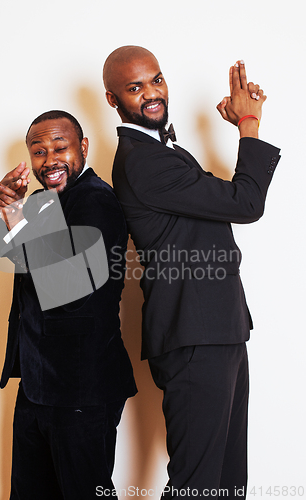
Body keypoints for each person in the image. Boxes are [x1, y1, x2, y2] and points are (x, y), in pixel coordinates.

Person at [103, 46, 280, 499]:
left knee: (225, 482)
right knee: (197, 487)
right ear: (113, 99)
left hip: (218, 329)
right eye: (135, 87)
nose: (151, 93)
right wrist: (248, 126)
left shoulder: (163, 150)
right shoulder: (143, 160)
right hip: (193, 336)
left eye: (156, 80)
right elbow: (245, 203)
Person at [0, 110, 137, 500]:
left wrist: (17, 221)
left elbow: (70, 285)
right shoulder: (40, 204)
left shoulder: (98, 201)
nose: (50, 160)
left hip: (83, 386)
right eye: (39, 151)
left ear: (83, 148)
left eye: (60, 147)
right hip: (37, 384)